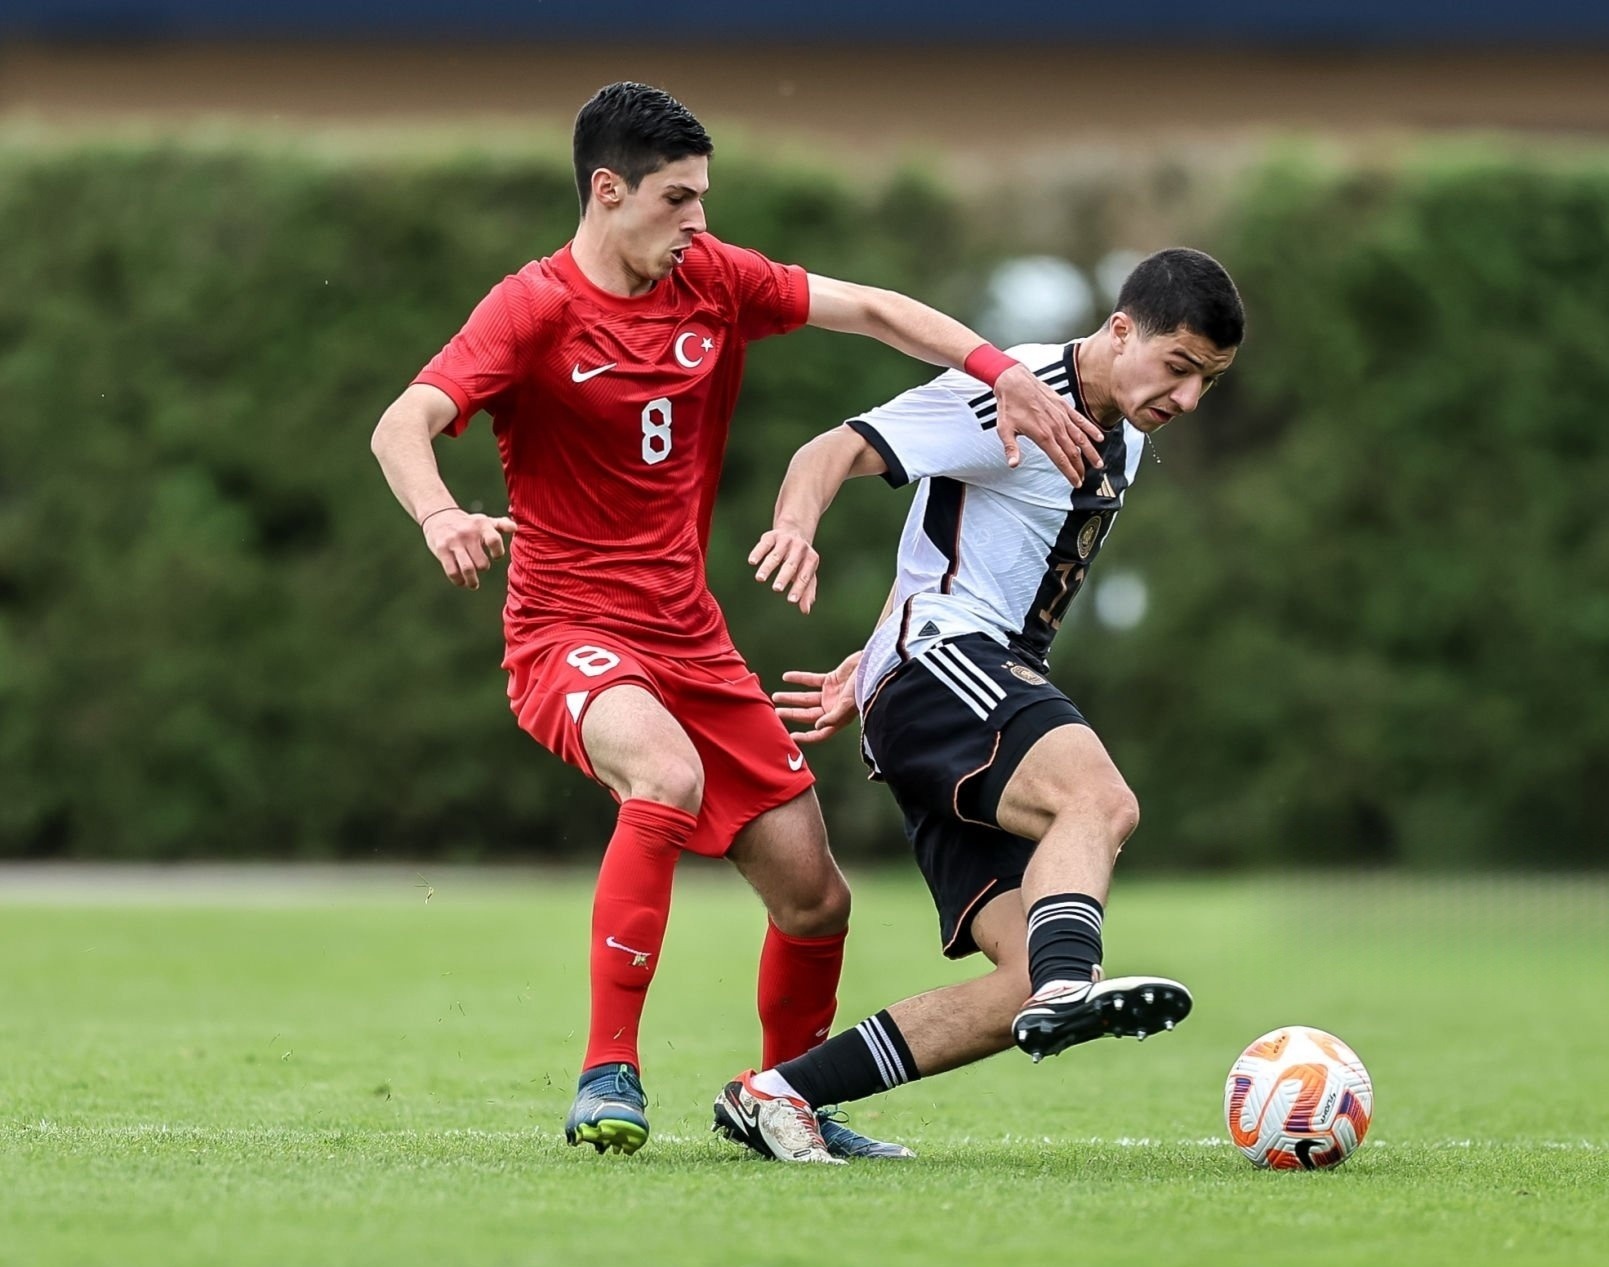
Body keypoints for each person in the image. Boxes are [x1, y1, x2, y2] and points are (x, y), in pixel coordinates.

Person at [367, 81, 1102, 1160]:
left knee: (815, 899)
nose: (698, 223)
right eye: (676, 200)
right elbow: (404, 423)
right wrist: (438, 512)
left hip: (691, 642)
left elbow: (875, 310)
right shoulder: (532, 307)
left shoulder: (709, 279)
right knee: (660, 779)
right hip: (566, 634)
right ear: (607, 192)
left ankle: (783, 1102)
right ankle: (607, 1072)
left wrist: (1004, 375)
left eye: (704, 198)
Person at [710, 248, 1244, 1163]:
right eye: (1178, 368)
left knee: (1019, 983)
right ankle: (1070, 989)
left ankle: (778, 1093)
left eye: (1207, 383)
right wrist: (794, 529)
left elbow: (964, 553)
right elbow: (828, 450)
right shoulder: (1016, 391)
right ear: (1121, 330)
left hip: (945, 673)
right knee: (1100, 802)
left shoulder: (1129, 435)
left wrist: (867, 657)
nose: (1186, 399)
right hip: (946, 668)